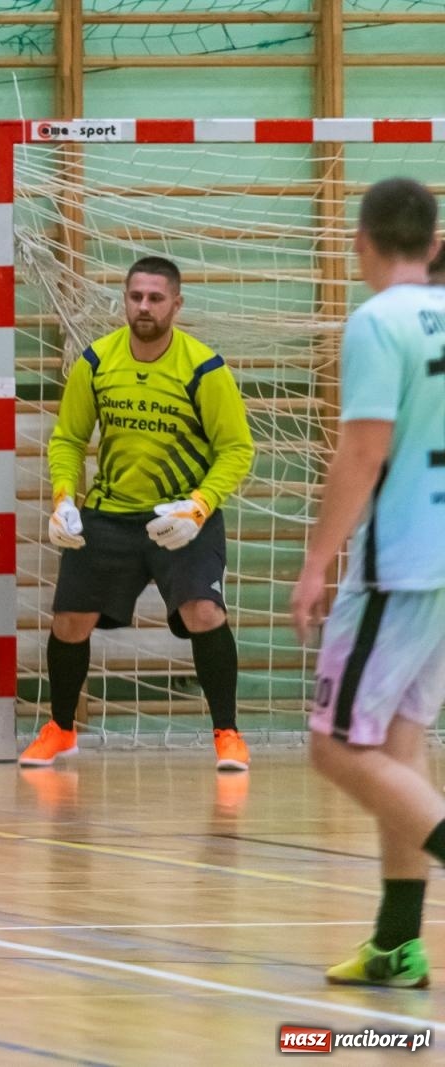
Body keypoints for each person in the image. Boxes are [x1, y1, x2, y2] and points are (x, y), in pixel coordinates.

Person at [291, 177, 445, 989]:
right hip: (442, 566)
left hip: (399, 564)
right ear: (432, 236)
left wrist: (317, 560)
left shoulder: (378, 320)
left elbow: (363, 452)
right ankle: (397, 941)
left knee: (336, 745)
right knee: (397, 746)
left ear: (361, 239)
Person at [24, 255, 256, 770]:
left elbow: (237, 450)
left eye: (155, 298)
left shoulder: (204, 368)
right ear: (124, 301)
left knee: (204, 613)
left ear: (177, 303)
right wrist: (64, 497)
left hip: (182, 514)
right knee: (68, 622)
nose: (144, 307)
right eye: (135, 297)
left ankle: (227, 735)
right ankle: (61, 729)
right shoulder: (97, 362)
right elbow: (67, 438)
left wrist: (199, 506)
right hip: (110, 515)